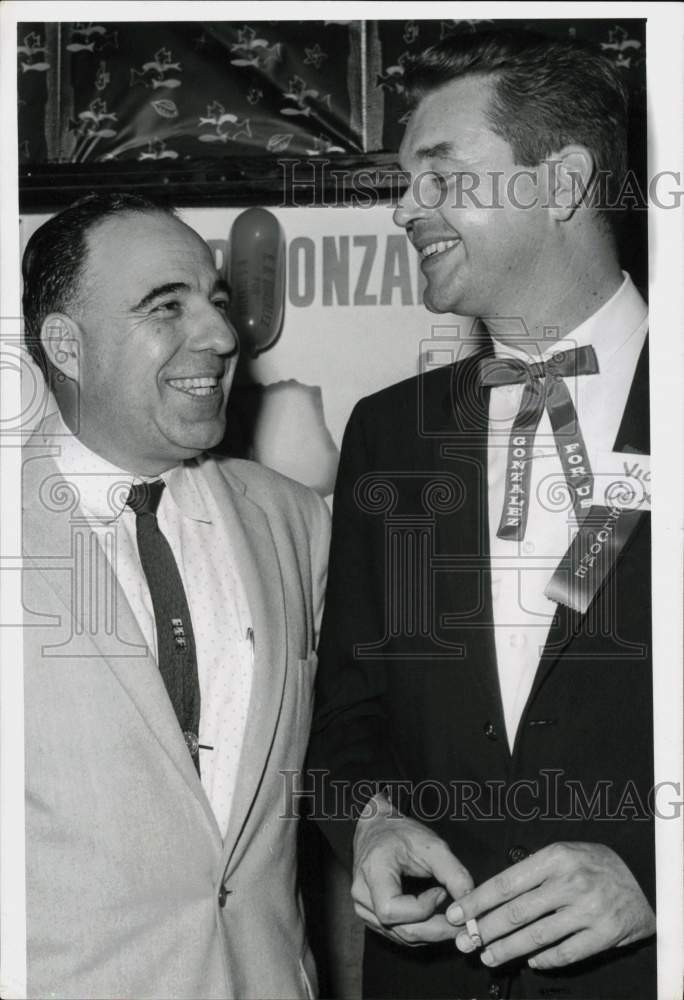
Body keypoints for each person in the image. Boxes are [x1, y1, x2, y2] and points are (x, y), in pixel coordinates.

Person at [307, 28, 655, 1000]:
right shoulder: (391, 431)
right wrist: (371, 819)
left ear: (563, 182)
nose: (404, 209)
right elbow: (348, 713)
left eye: (440, 175)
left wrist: (660, 869)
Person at [21, 192, 330, 999]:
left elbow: (343, 745)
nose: (223, 337)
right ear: (68, 346)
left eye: (217, 303)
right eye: (168, 306)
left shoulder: (297, 523)